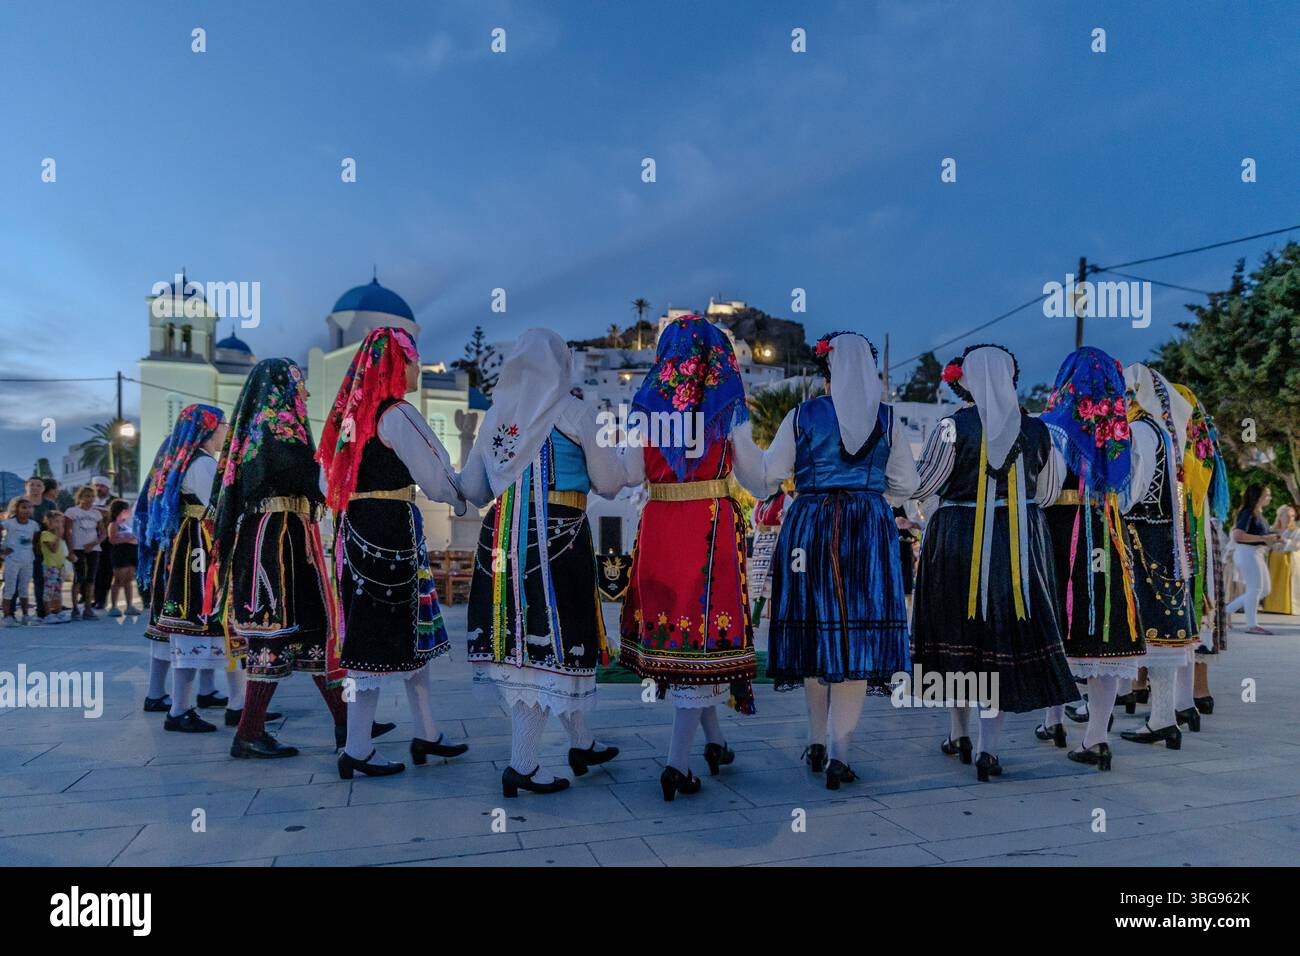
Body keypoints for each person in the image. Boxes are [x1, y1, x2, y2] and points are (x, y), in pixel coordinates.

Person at [733, 331, 919, 789]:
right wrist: (869, 486)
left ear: (826, 371)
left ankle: (817, 741)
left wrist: (736, 437)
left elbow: (768, 478)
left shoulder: (801, 416)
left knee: (817, 634)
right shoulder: (890, 420)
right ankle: (840, 753)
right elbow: (905, 486)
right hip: (867, 530)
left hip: (810, 526)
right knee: (855, 640)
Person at [463, 329, 626, 797]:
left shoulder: (496, 418)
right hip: (559, 536)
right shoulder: (575, 411)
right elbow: (610, 483)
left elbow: (474, 490)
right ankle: (523, 764)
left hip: (501, 542)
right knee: (551, 645)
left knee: (527, 645)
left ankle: (583, 744)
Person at [910, 344, 1078, 781]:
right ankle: (988, 748)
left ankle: (957, 731)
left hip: (956, 537)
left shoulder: (951, 426)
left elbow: (923, 482)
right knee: (1003, 633)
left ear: (966, 378)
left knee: (960, 631)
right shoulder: (1038, 430)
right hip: (1019, 538)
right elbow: (1048, 490)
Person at [318, 327, 471, 779]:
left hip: (357, 532)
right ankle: (358, 748)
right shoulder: (398, 414)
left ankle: (426, 733)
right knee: (379, 640)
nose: (418, 367)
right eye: (412, 359)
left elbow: (325, 482)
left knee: (401, 635)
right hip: (391, 533)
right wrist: (463, 501)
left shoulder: (351, 420)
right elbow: (437, 472)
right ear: (395, 365)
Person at [617, 316, 757, 801]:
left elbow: (630, 473)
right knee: (702, 645)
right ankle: (676, 764)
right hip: (707, 529)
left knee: (684, 644)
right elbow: (758, 479)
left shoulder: (647, 406)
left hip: (659, 526)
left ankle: (716, 742)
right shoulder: (727, 404)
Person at [208, 358, 347, 758]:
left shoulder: (269, 427)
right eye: (300, 383)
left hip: (286, 534)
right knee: (275, 631)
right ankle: (249, 732)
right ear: (281, 386)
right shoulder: (275, 427)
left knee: (312, 628)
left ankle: (345, 722)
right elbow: (308, 477)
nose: (305, 392)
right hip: (275, 539)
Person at [1037, 347, 1146, 770]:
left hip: (1059, 532)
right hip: (1107, 531)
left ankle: (1053, 720)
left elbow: (1042, 490)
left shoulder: (1047, 427)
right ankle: (1097, 736)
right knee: (1106, 633)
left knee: (1057, 625)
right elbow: (1131, 494)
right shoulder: (1125, 433)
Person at [1117, 363, 1202, 750]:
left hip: (1143, 535)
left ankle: (1163, 717)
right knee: (1163, 624)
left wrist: (1111, 503)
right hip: (1164, 536)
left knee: (1152, 622)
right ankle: (1164, 717)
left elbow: (1135, 488)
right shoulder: (1166, 432)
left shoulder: (1141, 430)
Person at [135, 405, 235, 730]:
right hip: (199, 551)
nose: (226, 430)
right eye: (222, 425)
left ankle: (194, 697)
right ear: (208, 430)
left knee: (185, 625)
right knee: (193, 623)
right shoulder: (203, 465)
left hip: (182, 548)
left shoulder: (183, 461)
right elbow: (219, 509)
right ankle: (180, 708)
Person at [1222, 483, 1278, 634]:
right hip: (1247, 553)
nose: (1269, 498)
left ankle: (1225, 611)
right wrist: (1263, 538)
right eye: (1267, 495)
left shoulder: (1257, 513)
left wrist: (1272, 535)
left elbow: (1261, 534)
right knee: (1256, 589)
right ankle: (1252, 625)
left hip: (1255, 553)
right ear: (1258, 497)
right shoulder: (1247, 512)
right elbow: (1237, 535)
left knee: (1264, 589)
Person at [64, 486, 105, 620]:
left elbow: (103, 533)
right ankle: (75, 609)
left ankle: (88, 609)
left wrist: (93, 544)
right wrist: (70, 551)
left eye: (92, 496)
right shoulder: (72, 511)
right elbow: (68, 532)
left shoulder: (96, 513)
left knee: (91, 579)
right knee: (79, 578)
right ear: (80, 497)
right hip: (77, 548)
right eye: (87, 496)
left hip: (93, 549)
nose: (90, 499)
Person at [2, 497, 39, 625]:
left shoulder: (33, 525)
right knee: (10, 589)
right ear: (16, 509)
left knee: (24, 588)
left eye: (29, 508)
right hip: (12, 560)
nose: (27, 510)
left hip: (28, 560)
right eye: (23, 507)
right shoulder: (9, 523)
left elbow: (33, 541)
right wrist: (2, 549)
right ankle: (7, 617)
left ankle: (25, 616)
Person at [1262, 504, 1300, 614]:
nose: (1290, 518)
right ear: (1280, 516)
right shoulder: (1271, 530)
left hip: (1288, 563)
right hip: (1273, 562)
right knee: (1271, 583)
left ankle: (1286, 608)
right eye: (1287, 516)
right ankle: (1272, 606)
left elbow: (1297, 545)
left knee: (1286, 586)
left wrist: (1284, 541)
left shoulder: (1296, 531)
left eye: (1292, 516)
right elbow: (1265, 545)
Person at [106, 499, 140, 616]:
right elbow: (112, 539)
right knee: (118, 580)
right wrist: (127, 539)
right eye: (125, 509)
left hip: (131, 552)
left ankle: (129, 606)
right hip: (120, 553)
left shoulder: (129, 524)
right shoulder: (113, 524)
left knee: (128, 580)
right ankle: (113, 606)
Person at [24, 477, 50, 620]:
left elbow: (54, 525)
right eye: (32, 485)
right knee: (18, 580)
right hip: (21, 548)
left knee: (40, 580)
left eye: (38, 485)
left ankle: (41, 611)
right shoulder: (18, 502)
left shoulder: (49, 504)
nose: (35, 487)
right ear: (26, 486)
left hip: (42, 548)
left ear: (43, 488)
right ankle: (10, 614)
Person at [38, 511, 69, 623]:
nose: (59, 524)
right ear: (49, 523)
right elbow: (53, 549)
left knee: (57, 591)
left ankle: (58, 611)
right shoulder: (45, 534)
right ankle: (48, 614)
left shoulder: (60, 536)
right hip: (50, 567)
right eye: (56, 521)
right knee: (49, 591)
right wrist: (57, 536)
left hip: (60, 566)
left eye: (61, 522)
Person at [90, 475, 114, 610]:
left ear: (107, 488)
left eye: (102, 486)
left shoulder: (113, 500)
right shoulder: (89, 499)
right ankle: (91, 597)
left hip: (107, 541)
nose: (98, 488)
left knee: (105, 571)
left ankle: (101, 599)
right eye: (96, 486)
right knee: (93, 570)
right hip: (90, 539)